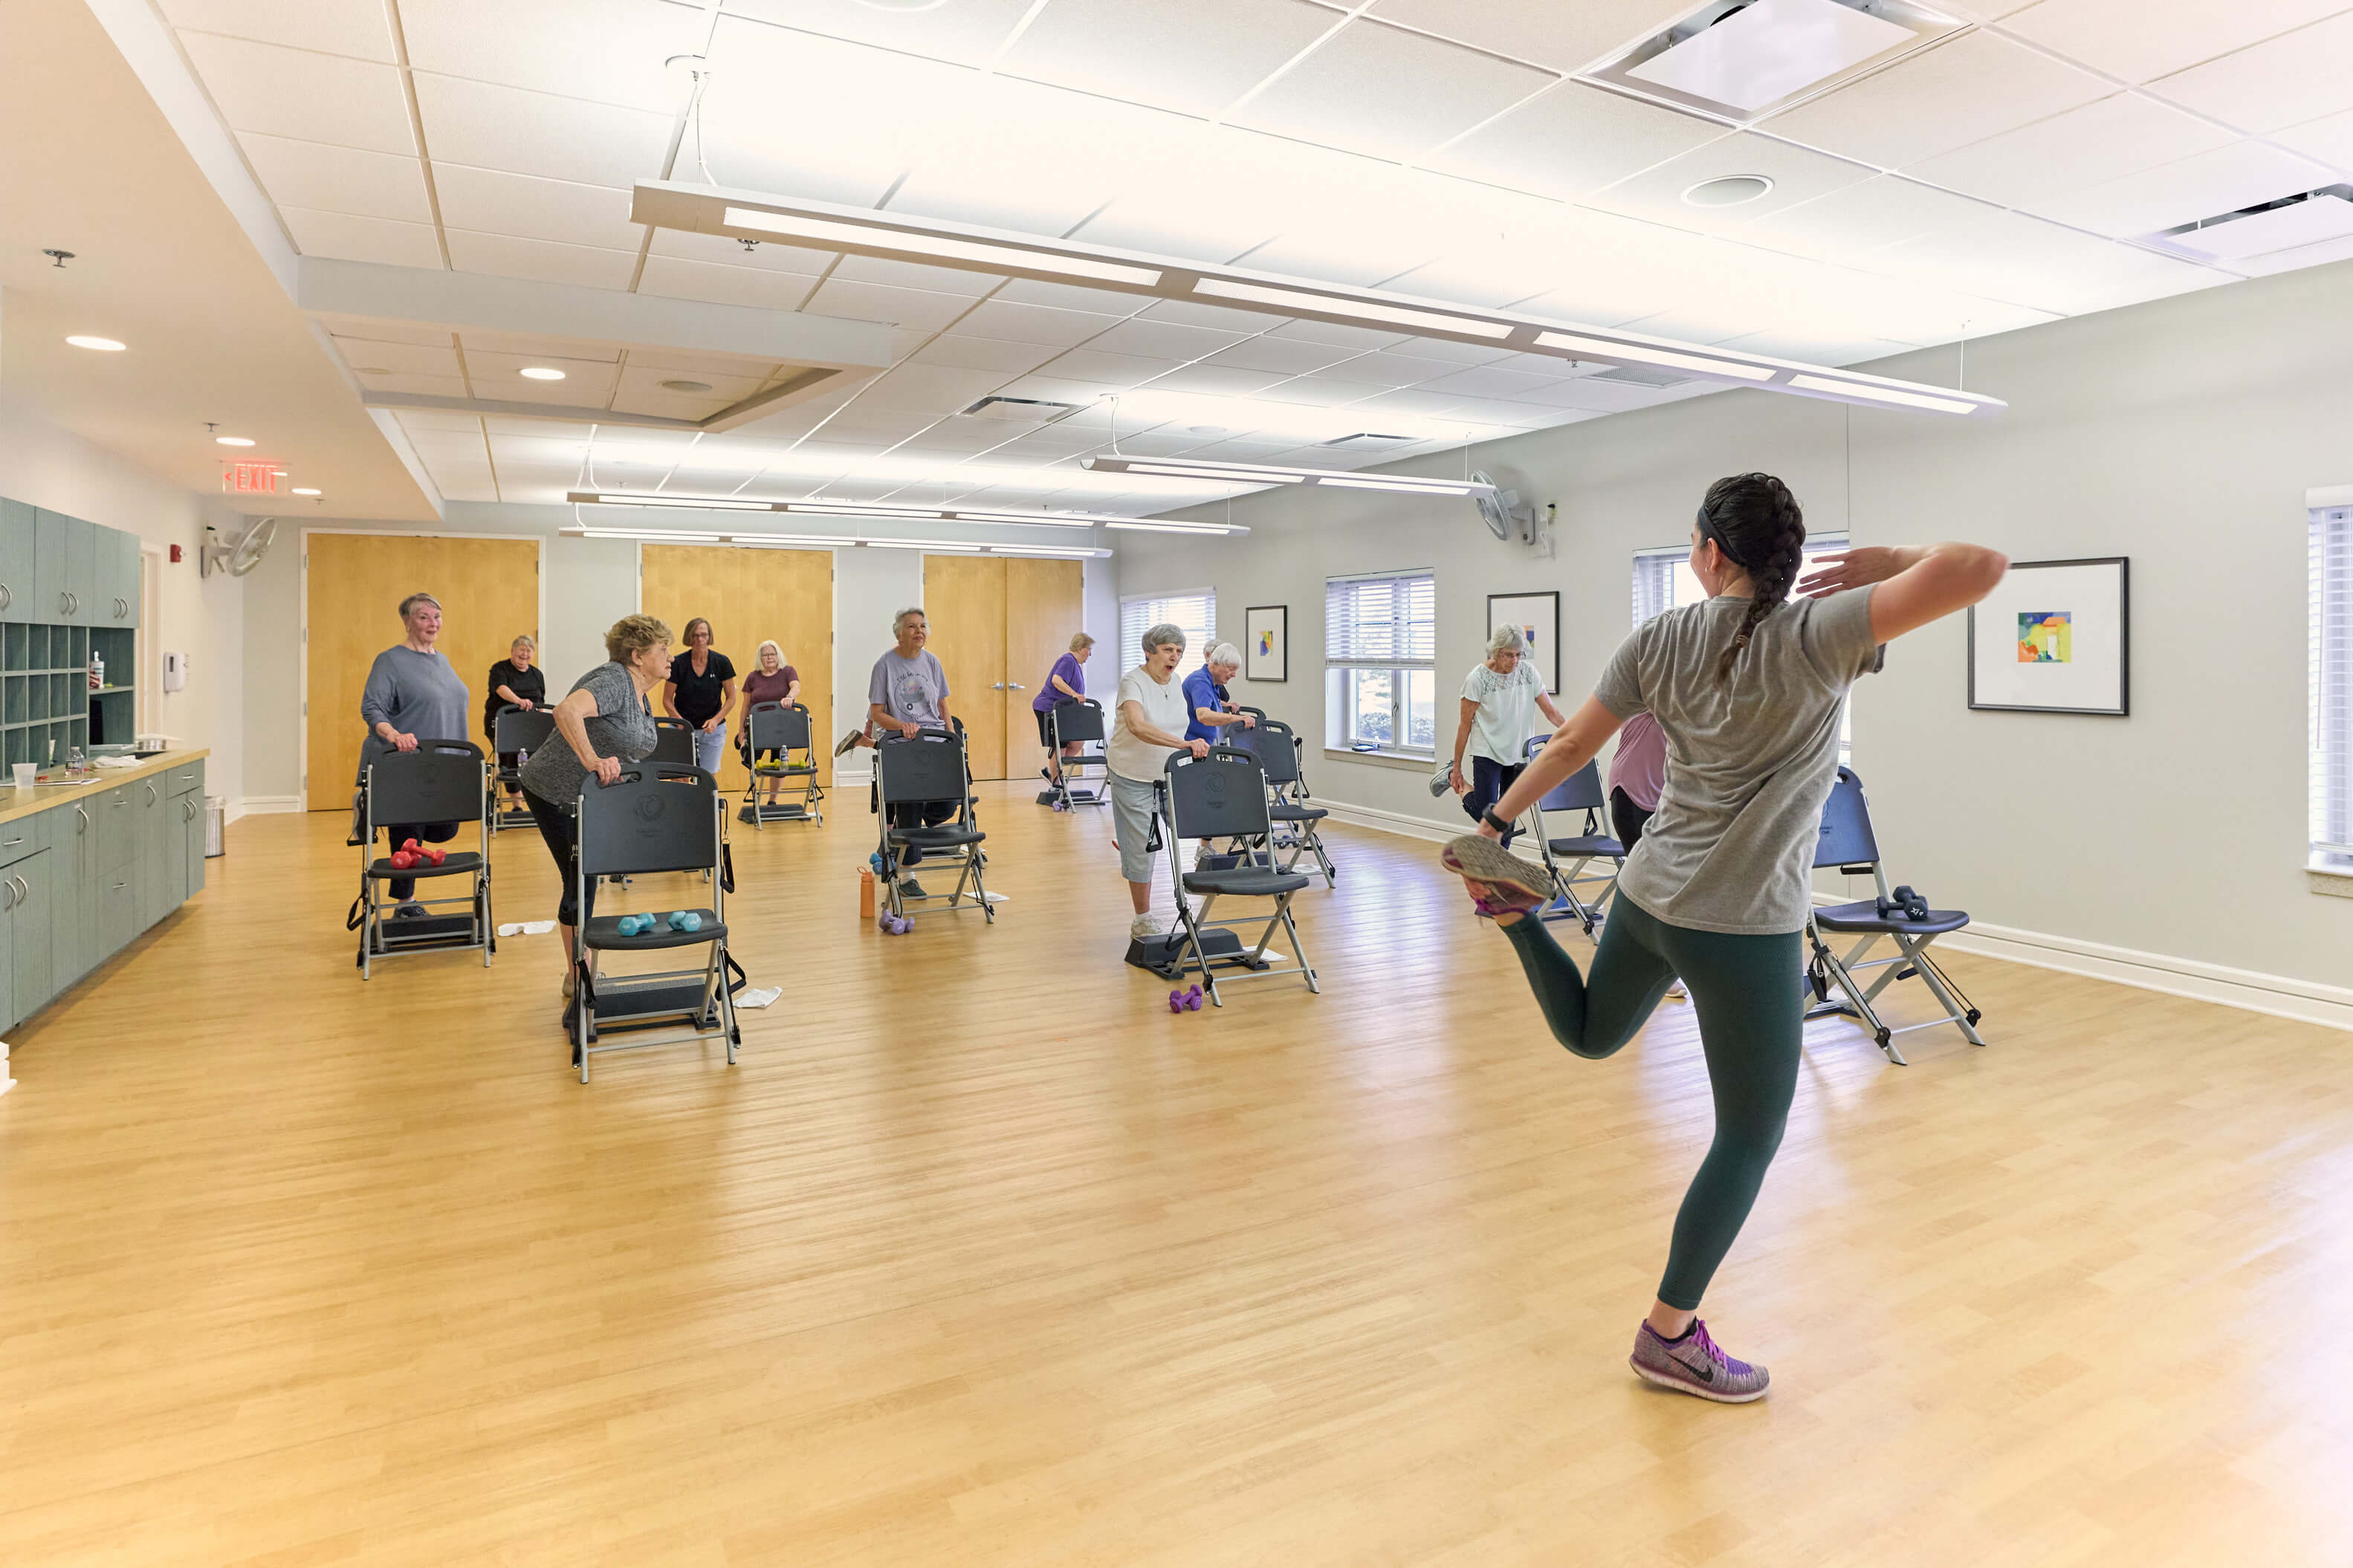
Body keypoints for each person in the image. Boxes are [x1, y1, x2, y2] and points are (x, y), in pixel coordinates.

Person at [1438, 472, 2006, 1405]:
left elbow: (1572, 746)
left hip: (1649, 887)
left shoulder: (1661, 635)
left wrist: (1495, 825)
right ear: (1783, 556)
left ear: (1707, 550)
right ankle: (1669, 1335)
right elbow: (1979, 566)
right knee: (1751, 1131)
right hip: (1743, 922)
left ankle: (1516, 912)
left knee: (1590, 1032)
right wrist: (1893, 562)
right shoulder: (1824, 630)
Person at [518, 614, 670, 1001]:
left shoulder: (640, 693)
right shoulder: (614, 680)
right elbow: (566, 711)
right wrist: (590, 760)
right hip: (554, 792)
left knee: (588, 876)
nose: (670, 656)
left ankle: (580, 967)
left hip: (591, 798)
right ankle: (576, 973)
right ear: (637, 656)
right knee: (580, 878)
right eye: (663, 649)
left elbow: (627, 749)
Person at [358, 592, 470, 918]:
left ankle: (408, 865)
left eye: (437, 616)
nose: (432, 623)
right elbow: (372, 707)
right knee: (409, 827)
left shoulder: (442, 660)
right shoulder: (390, 660)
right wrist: (394, 735)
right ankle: (405, 903)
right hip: (406, 763)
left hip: (445, 764)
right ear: (407, 622)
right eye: (423, 617)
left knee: (446, 829)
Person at [1107, 623, 1207, 939]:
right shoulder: (1132, 682)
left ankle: (1193, 900)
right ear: (1149, 651)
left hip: (1167, 775)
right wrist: (1183, 746)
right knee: (1142, 849)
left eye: (1179, 651)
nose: (1174, 657)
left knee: (1192, 825)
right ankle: (1143, 919)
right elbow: (1137, 726)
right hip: (1131, 774)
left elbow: (1180, 723)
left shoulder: (1176, 681)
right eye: (1167, 650)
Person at [1439, 625, 1566, 849]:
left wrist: (1572, 734)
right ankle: (1454, 780)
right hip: (1487, 751)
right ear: (1496, 652)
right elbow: (1464, 725)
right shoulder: (1477, 679)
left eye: (1519, 655)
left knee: (1506, 820)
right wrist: (1457, 766)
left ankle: (1497, 873)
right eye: (1509, 655)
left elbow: (1551, 712)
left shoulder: (1528, 673)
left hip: (1518, 755)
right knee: (1487, 816)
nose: (1515, 661)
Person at [865, 608, 956, 895]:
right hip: (901, 744)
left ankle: (903, 831)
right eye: (912, 626)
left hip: (934, 740)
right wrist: (903, 725)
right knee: (912, 801)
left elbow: (942, 707)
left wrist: (954, 740)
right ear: (899, 633)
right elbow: (877, 713)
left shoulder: (933, 663)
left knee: (948, 805)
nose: (919, 631)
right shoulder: (885, 665)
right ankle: (907, 876)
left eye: (923, 626)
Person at [1605, 710, 1686, 1000]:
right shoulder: (1653, 688)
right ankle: (1649, 968)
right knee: (1646, 881)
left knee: (1655, 880)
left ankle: (1640, 963)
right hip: (1630, 790)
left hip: (1658, 793)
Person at [662, 618, 737, 779]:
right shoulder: (678, 663)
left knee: (706, 778)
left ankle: (703, 805)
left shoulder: (721, 662)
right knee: (679, 776)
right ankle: (682, 804)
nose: (700, 640)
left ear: (709, 637)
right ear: (689, 637)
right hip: (682, 728)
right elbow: (667, 700)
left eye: (703, 635)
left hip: (712, 730)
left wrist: (716, 720)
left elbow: (731, 698)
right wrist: (681, 723)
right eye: (695, 635)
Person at [735, 639, 802, 818]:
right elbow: (745, 706)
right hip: (758, 727)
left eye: (772, 654)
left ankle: (772, 800)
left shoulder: (788, 672)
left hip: (780, 727)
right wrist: (741, 732)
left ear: (778, 655)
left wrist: (789, 697)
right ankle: (756, 792)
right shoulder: (753, 677)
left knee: (778, 763)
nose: (769, 657)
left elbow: (796, 686)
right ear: (760, 658)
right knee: (752, 762)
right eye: (765, 655)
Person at [484, 634, 546, 814]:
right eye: (521, 650)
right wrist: (519, 701)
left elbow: (541, 700)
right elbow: (501, 689)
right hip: (505, 725)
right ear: (512, 651)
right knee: (510, 761)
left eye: (529, 650)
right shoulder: (500, 669)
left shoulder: (536, 674)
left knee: (534, 761)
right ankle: (517, 806)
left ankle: (536, 806)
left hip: (529, 726)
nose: (525, 654)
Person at [1033, 632, 1095, 785]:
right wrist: (1074, 694)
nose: (1090, 654)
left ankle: (1053, 773)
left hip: (1064, 712)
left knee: (1078, 742)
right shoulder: (1068, 660)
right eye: (1089, 649)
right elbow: (1056, 680)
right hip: (1049, 708)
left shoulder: (1075, 664)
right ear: (1080, 648)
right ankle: (1056, 782)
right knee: (1060, 744)